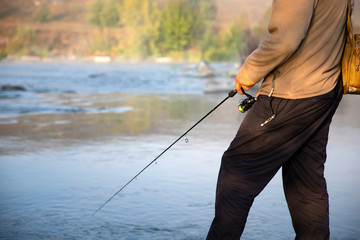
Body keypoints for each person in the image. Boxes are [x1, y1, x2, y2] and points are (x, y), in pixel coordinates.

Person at [206, 0, 354, 239]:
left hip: (291, 93)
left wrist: (249, 70)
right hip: (325, 90)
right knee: (306, 185)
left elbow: (285, 39)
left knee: (237, 171)